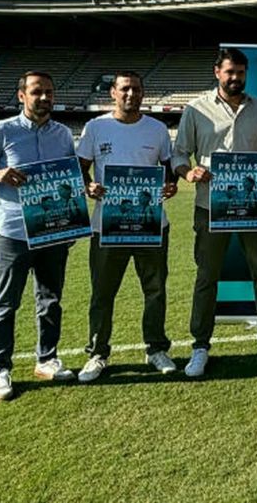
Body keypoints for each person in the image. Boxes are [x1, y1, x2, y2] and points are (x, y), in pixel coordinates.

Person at [172, 48, 257, 377]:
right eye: (229, 72)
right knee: (207, 277)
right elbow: (180, 154)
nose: (235, 78)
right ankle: (200, 346)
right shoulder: (196, 110)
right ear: (217, 72)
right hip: (210, 207)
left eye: (240, 72)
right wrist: (188, 173)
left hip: (253, 206)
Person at [0, 71, 77, 401]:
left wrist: (70, 223)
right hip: (11, 232)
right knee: (5, 303)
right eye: (36, 92)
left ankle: (47, 359)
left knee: (50, 299)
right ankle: (0, 370)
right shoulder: (1, 131)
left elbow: (68, 178)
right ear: (21, 96)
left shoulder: (62, 134)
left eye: (49, 92)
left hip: (53, 230)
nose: (44, 98)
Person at [74, 71, 179, 383]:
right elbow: (80, 170)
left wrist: (171, 187)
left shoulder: (158, 129)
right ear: (112, 93)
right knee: (103, 293)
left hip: (151, 224)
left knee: (155, 290)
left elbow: (168, 172)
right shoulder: (96, 127)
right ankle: (97, 352)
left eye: (136, 89)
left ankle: (156, 348)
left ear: (143, 93)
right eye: (124, 89)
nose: (130, 94)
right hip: (107, 226)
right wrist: (88, 187)